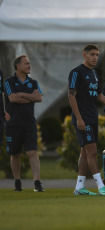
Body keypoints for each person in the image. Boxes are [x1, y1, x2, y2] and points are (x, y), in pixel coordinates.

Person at [68, 44, 105, 196]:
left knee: (85, 153)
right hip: (82, 119)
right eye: (92, 54)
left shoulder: (94, 74)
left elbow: (99, 96)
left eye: (97, 55)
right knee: (92, 151)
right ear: (84, 55)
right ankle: (100, 186)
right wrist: (79, 118)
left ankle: (79, 187)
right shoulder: (76, 72)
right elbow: (71, 95)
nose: (95, 57)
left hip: (92, 118)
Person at [4, 55, 44, 192]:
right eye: (26, 64)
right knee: (15, 154)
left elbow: (39, 98)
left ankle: (37, 183)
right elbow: (13, 98)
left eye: (30, 64)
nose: (29, 66)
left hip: (29, 124)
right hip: (13, 124)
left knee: (32, 152)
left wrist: (21, 95)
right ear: (18, 66)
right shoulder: (9, 82)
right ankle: (17, 182)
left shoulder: (33, 82)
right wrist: (30, 97)